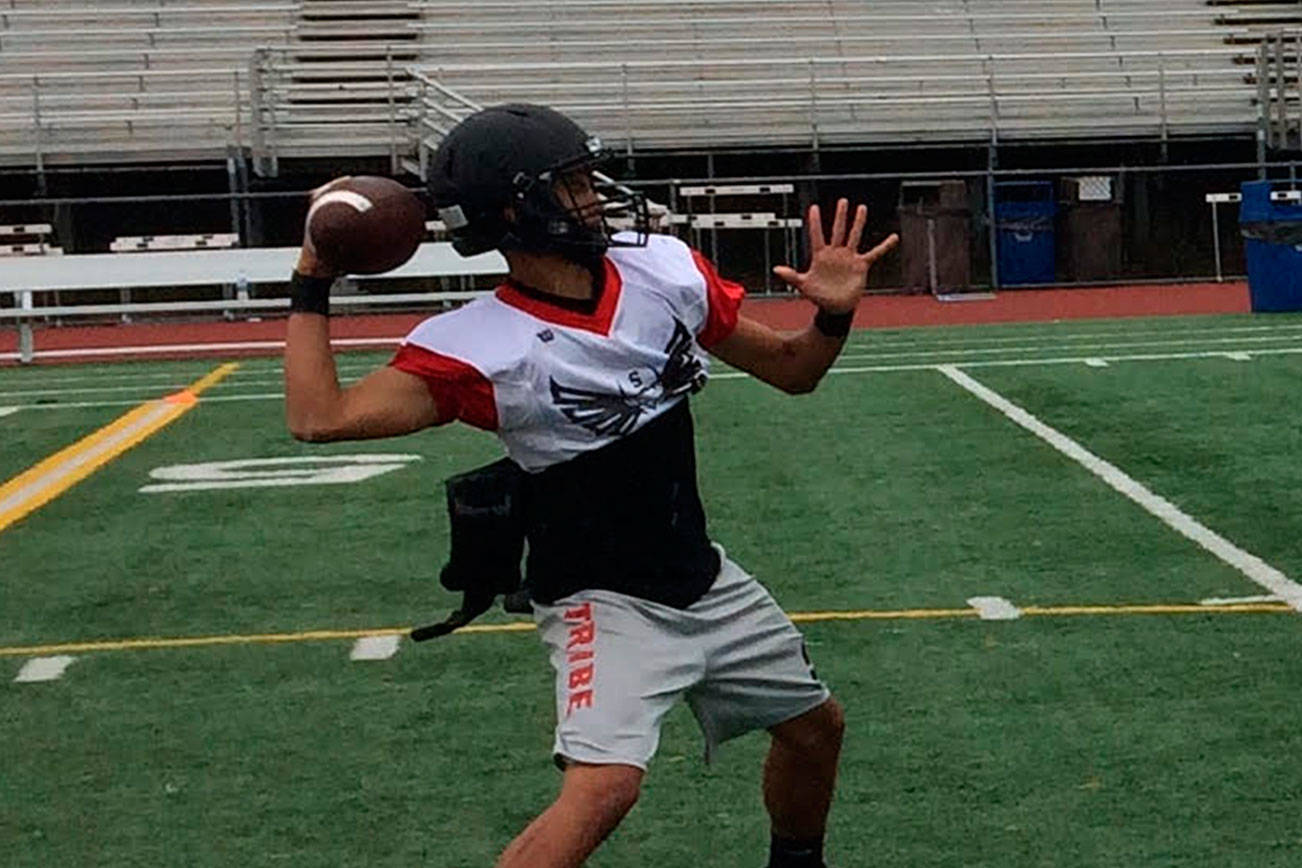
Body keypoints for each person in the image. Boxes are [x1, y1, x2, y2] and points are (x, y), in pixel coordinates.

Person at [283, 103, 898, 868]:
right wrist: (313, 277)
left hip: (700, 576)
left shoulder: (661, 271)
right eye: (571, 183)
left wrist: (831, 319)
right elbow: (319, 417)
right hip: (601, 600)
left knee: (816, 730)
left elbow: (795, 371)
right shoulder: (478, 347)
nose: (593, 196)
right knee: (604, 791)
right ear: (516, 209)